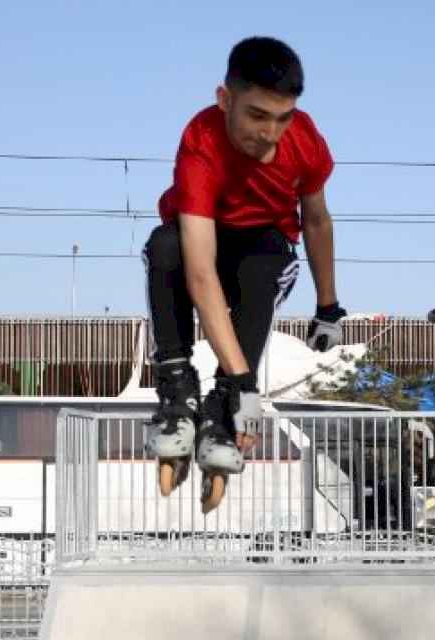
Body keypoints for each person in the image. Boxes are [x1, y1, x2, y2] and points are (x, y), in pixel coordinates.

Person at [143, 36, 347, 509]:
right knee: (164, 246)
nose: (270, 134)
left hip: (264, 246)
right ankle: (178, 387)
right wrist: (245, 384)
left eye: (283, 118)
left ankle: (222, 407)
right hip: (204, 245)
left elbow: (316, 220)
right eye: (257, 116)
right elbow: (199, 273)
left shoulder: (306, 142)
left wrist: (328, 307)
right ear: (225, 100)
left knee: (265, 264)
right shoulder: (202, 142)